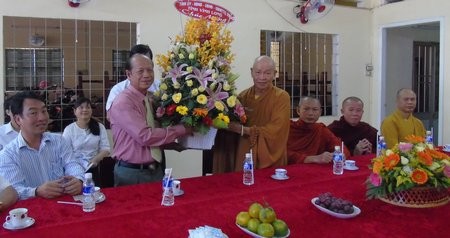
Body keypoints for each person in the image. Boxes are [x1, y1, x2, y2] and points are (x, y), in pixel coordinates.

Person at [109, 54, 191, 186]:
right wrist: (182, 129)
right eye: (140, 71)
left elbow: (152, 132)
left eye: (150, 70)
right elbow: (145, 136)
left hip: (154, 170)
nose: (147, 75)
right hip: (132, 174)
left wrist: (172, 144)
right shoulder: (123, 102)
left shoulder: (150, 98)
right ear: (128, 74)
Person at [0, 91, 84, 200]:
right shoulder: (8, 155)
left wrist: (78, 180)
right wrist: (36, 191)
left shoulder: (59, 141)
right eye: (33, 113)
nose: (42, 117)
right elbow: (13, 190)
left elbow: (72, 164)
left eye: (44, 111)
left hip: (65, 206)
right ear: (18, 119)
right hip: (32, 212)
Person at [213, 56, 291, 173]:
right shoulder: (242, 96)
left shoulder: (281, 97)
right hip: (244, 153)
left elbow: (276, 130)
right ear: (251, 72)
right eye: (258, 72)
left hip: (269, 155)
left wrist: (243, 130)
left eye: (267, 73)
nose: (262, 77)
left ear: (274, 74)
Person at [287, 97, 350, 164]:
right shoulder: (288, 128)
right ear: (298, 110)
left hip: (313, 169)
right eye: (306, 109)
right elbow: (280, 152)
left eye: (315, 109)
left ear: (320, 112)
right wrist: (310, 159)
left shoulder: (321, 129)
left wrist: (338, 155)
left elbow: (340, 148)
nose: (310, 113)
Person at [106, 44, 160, 112]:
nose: (146, 75)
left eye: (146, 59)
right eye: (139, 60)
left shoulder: (160, 87)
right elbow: (110, 115)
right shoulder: (118, 89)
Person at [62, 97, 110, 171]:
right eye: (81, 107)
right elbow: (65, 152)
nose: (85, 110)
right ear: (75, 111)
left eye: (88, 107)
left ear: (91, 110)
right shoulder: (69, 129)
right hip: (74, 168)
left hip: (93, 166)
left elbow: (106, 149)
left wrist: (96, 160)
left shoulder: (100, 126)